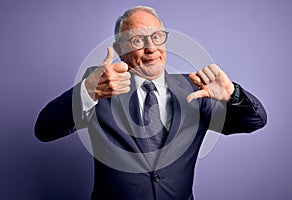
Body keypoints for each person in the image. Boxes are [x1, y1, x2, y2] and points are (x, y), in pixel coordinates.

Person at [35, 6, 267, 200]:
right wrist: (87, 91)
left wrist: (232, 94)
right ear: (120, 50)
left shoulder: (197, 88)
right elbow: (45, 129)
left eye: (157, 36)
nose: (151, 48)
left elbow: (255, 121)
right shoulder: (101, 87)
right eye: (137, 40)